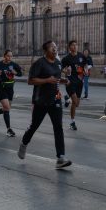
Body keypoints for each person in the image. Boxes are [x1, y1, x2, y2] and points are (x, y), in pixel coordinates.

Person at [18, 40, 72, 169]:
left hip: (55, 99)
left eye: (56, 47)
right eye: (52, 47)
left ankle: (60, 158)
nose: (55, 49)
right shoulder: (39, 63)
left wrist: (64, 80)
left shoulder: (59, 64)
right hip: (40, 100)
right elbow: (30, 81)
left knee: (58, 127)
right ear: (45, 50)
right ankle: (24, 143)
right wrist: (47, 80)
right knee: (34, 125)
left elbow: (56, 80)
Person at [0, 49, 23, 137]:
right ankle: (9, 129)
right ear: (4, 56)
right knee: (6, 107)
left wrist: (15, 72)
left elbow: (20, 73)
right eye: (8, 56)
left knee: (7, 108)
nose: (9, 58)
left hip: (10, 89)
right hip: (1, 88)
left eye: (11, 56)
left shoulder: (13, 65)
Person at [60, 40, 88, 131]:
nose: (75, 47)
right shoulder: (66, 58)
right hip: (70, 82)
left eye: (76, 45)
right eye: (73, 45)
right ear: (69, 47)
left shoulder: (81, 56)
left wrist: (86, 70)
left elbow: (85, 65)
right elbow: (59, 68)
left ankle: (68, 100)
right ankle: (72, 122)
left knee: (77, 104)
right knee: (75, 102)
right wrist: (65, 71)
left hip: (79, 82)